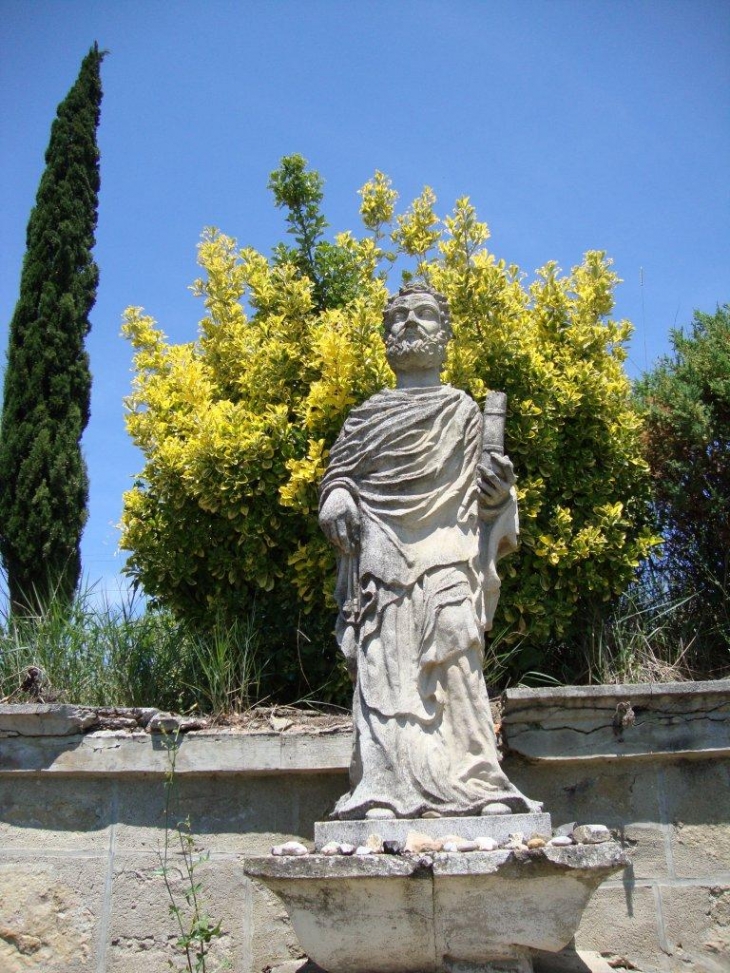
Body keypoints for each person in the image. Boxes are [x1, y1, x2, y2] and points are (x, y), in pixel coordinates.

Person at [319, 283, 539, 819]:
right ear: (385, 337)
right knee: (385, 666)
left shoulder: (464, 412)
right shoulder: (365, 417)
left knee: (457, 653)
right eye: (399, 317)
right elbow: (338, 477)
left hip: (448, 546)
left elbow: (487, 505)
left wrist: (498, 495)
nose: (410, 324)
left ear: (445, 334)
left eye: (424, 315)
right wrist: (337, 498)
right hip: (384, 551)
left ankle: (478, 781)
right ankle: (384, 786)